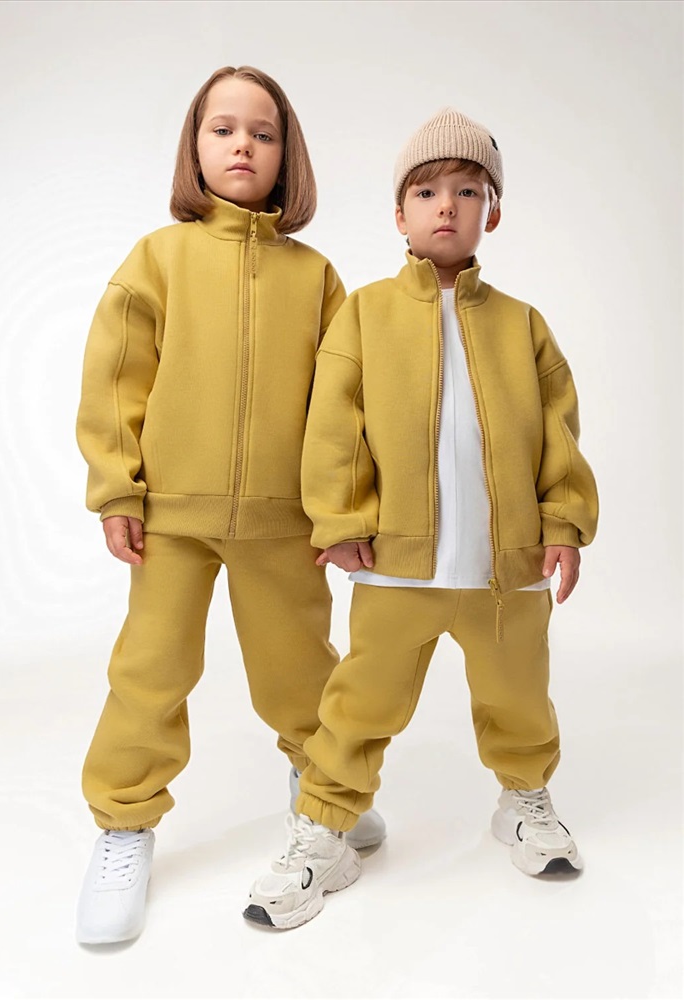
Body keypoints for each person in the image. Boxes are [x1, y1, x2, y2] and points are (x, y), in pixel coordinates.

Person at [244, 108, 599, 930]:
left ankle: (525, 799)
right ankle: (325, 831)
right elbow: (333, 428)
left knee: (520, 696)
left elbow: (559, 434)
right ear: (399, 215)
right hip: (396, 566)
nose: (448, 206)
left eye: (468, 192)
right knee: (359, 706)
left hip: (505, 571)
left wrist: (562, 525)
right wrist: (339, 519)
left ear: (491, 214)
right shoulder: (365, 314)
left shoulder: (522, 324)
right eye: (428, 191)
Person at [75, 65, 385, 945]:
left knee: (302, 672)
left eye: (262, 131)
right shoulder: (158, 259)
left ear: (288, 155)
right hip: (170, 518)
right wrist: (116, 487)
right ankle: (124, 826)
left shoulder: (317, 277)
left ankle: (324, 794)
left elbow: (343, 408)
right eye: (222, 129)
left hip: (286, 521)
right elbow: (116, 380)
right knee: (151, 672)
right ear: (195, 147)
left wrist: (342, 513)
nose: (242, 144)